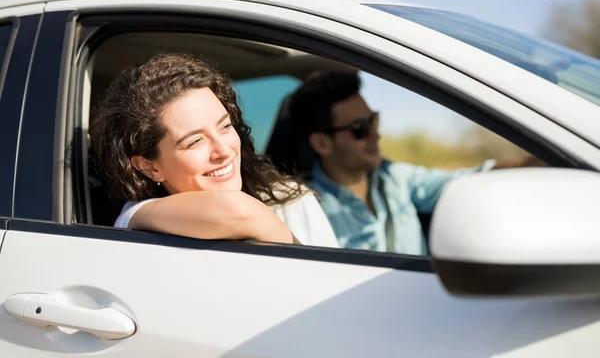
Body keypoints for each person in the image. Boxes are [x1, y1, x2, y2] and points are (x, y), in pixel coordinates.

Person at [89, 53, 339, 248]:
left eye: (225, 126)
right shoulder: (138, 219)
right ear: (149, 166)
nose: (223, 150)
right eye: (195, 141)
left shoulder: (291, 199)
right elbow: (242, 212)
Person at [288, 70, 542, 255]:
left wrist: (533, 164)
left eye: (373, 120)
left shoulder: (397, 178)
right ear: (322, 143)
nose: (376, 134)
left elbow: (471, 180)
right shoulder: (305, 208)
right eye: (360, 128)